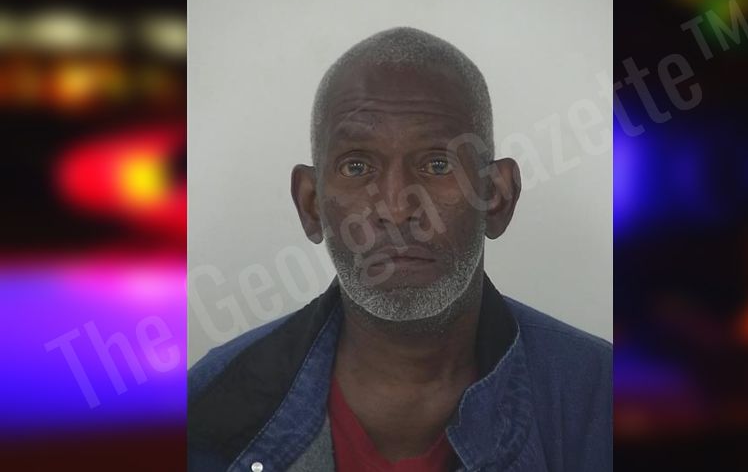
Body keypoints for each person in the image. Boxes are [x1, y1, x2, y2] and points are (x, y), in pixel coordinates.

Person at [188, 27, 612, 472]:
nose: (396, 208)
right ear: (311, 205)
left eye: (437, 164)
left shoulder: (600, 397)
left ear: (497, 198)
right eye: (356, 166)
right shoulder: (208, 405)